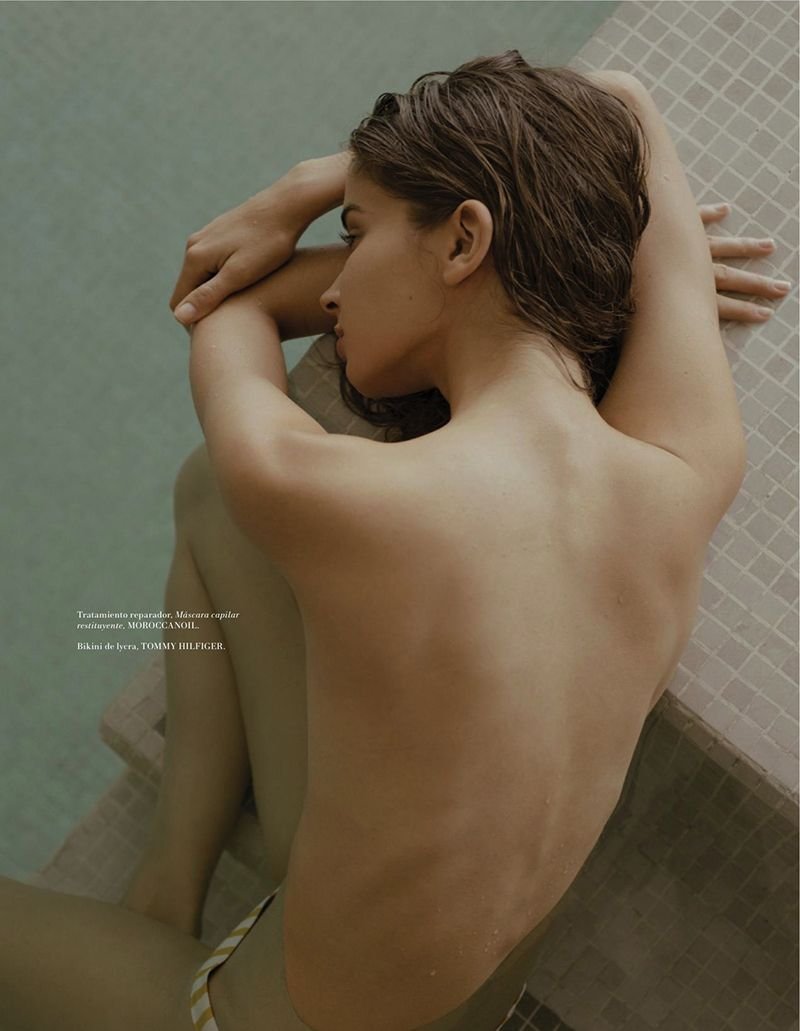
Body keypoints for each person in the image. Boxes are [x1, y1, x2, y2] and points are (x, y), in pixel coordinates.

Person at [1, 53, 791, 1031]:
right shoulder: (685, 462)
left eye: (354, 234)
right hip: (460, 1005)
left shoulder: (334, 498)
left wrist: (292, 193)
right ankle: (168, 883)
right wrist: (575, 261)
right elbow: (625, 98)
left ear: (463, 239)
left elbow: (226, 297)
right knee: (211, 495)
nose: (334, 288)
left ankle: (171, 942)